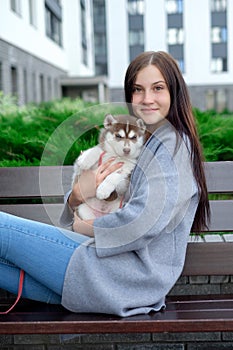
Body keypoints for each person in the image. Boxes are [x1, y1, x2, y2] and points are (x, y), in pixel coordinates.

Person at [0, 51, 210, 317]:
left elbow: (143, 222)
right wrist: (76, 196)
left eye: (158, 88)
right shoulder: (146, 141)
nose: (146, 99)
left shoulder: (172, 147)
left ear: (174, 92)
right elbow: (97, 180)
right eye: (137, 89)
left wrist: (83, 226)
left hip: (121, 276)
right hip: (110, 277)